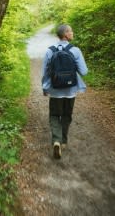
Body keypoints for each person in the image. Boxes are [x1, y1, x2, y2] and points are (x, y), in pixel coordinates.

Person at [42, 24, 88, 159]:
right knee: (67, 115)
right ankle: (63, 141)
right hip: (71, 90)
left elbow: (45, 73)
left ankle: (56, 140)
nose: (72, 33)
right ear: (66, 34)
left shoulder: (50, 51)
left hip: (55, 90)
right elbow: (84, 71)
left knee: (55, 115)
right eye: (71, 31)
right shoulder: (75, 50)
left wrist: (45, 88)